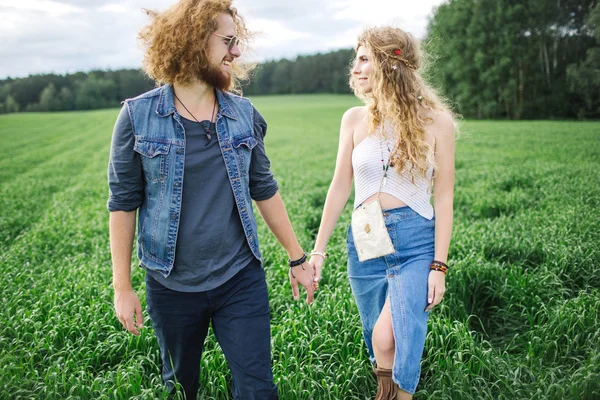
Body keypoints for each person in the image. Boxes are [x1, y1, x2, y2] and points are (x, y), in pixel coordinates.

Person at [106, 1, 315, 398]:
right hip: (170, 284)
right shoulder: (138, 117)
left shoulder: (243, 114)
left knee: (257, 387)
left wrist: (297, 257)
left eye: (237, 42)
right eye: (228, 41)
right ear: (192, 40)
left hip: (240, 278)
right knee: (181, 387)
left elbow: (264, 187)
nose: (236, 52)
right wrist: (122, 286)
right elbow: (123, 202)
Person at [309, 27, 455, 399]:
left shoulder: (437, 123)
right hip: (365, 236)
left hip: (415, 238)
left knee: (391, 333)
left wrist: (439, 265)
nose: (354, 68)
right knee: (377, 336)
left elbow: (444, 195)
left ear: (389, 64)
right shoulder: (354, 119)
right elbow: (340, 185)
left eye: (363, 58)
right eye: (355, 59)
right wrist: (318, 250)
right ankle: (385, 394)